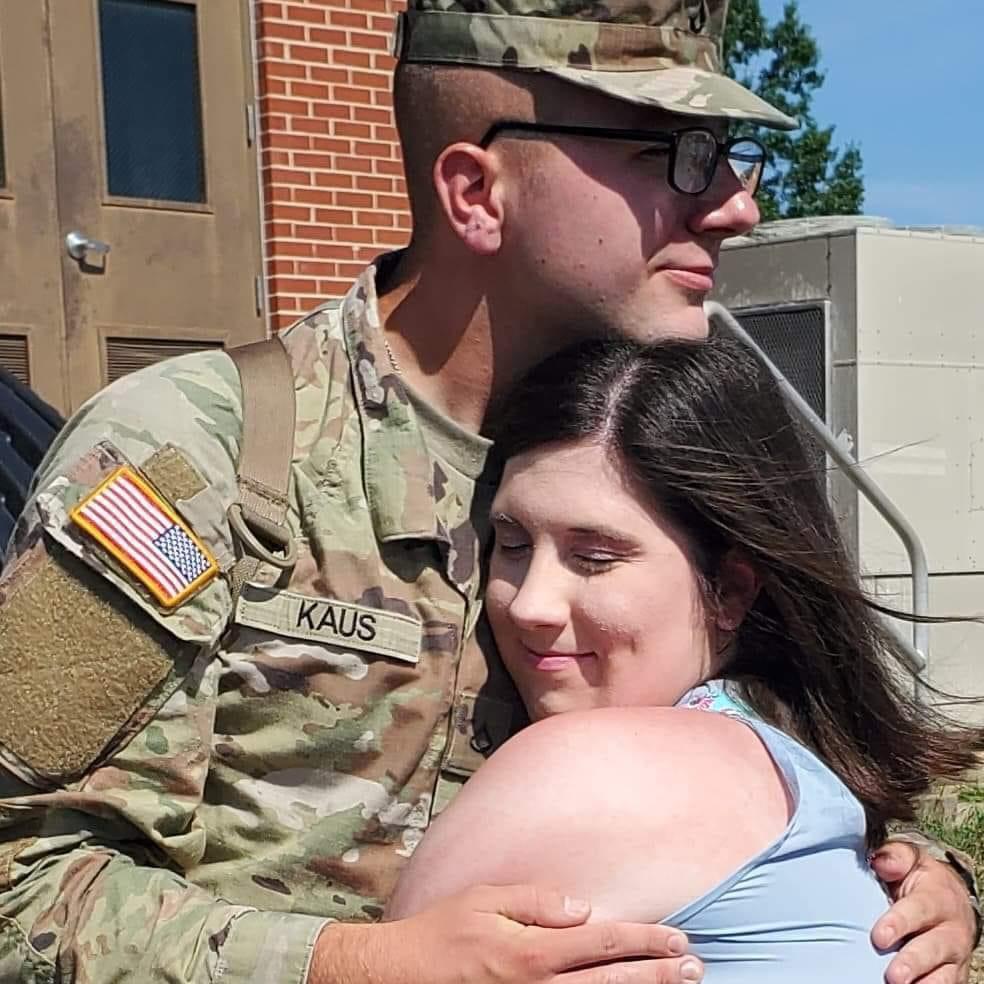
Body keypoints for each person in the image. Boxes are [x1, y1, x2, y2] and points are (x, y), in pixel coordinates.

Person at [0, 0, 977, 981]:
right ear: (476, 192)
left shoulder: (638, 444)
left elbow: (769, 729)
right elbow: (17, 879)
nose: (734, 204)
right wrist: (354, 966)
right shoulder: (198, 455)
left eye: (724, 152)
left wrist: (912, 883)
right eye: (669, 153)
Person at [385, 334, 984, 980]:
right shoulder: (790, 767)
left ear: (729, 590)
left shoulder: (584, 765)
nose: (532, 604)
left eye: (594, 557)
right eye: (512, 542)